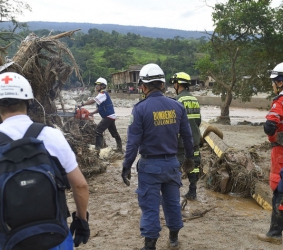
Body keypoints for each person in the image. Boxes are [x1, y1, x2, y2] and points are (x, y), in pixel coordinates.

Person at [0, 72, 90, 249]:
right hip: (54, 236)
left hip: (6, 240)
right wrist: (82, 220)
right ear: (29, 101)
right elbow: (80, 185)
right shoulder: (51, 136)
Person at [121, 63, 194, 250]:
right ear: (162, 85)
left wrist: (127, 166)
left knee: (150, 207)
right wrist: (189, 159)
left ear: (143, 87)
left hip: (150, 166)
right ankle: (174, 239)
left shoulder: (140, 109)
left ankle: (150, 245)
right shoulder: (177, 107)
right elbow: (188, 137)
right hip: (172, 164)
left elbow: (133, 144)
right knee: (172, 203)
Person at [257, 61, 283, 244]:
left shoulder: (281, 101)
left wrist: (274, 135)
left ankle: (274, 234)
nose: (273, 85)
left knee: (280, 190)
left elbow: (269, 125)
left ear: (281, 82)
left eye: (274, 81)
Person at [170, 72, 202, 200]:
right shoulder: (194, 99)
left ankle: (173, 193)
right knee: (194, 165)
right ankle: (192, 191)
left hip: (181, 141)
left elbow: (174, 122)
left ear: (177, 84)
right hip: (195, 139)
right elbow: (198, 121)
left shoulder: (178, 100)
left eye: (174, 84)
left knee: (176, 165)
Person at [79, 77, 122, 154]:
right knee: (114, 133)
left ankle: (97, 148)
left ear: (102, 86)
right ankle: (120, 148)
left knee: (98, 131)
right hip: (110, 116)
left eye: (97, 85)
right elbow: (99, 109)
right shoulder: (101, 95)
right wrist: (92, 113)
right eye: (96, 85)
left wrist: (83, 104)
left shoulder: (102, 94)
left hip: (108, 117)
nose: (96, 86)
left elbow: (93, 101)